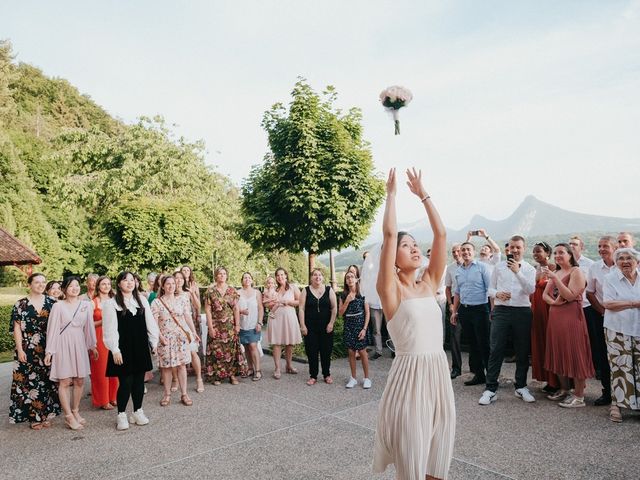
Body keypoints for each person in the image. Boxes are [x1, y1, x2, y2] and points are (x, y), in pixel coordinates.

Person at [373, 168, 454, 480]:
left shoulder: (429, 282)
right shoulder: (390, 290)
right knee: (412, 465)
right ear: (393, 257)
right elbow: (390, 235)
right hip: (409, 380)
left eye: (416, 245)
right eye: (407, 246)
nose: (415, 248)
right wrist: (391, 195)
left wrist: (423, 195)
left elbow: (442, 235)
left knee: (437, 463)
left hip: (438, 376)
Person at [479, 235, 536, 406]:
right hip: (501, 310)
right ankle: (490, 389)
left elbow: (530, 289)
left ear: (523, 248)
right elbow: (489, 288)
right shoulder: (498, 266)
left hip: (522, 311)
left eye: (518, 247)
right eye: (512, 247)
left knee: (522, 349)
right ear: (508, 249)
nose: (514, 250)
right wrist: (497, 294)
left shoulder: (529, 269)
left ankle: (521, 386)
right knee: (496, 348)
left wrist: (517, 272)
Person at [103, 271, 159, 430]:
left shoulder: (141, 300)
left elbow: (150, 322)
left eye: (132, 280)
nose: (129, 282)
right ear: (119, 283)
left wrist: (154, 341)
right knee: (126, 382)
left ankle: (137, 411)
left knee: (139, 381)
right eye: (125, 280)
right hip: (122, 349)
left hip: (140, 346)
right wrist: (114, 349)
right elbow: (109, 329)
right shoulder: (111, 303)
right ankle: (121, 414)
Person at [543, 243, 595, 408]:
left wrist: (556, 279)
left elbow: (571, 296)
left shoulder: (576, 271)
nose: (557, 255)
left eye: (561, 252)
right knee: (558, 351)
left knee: (575, 353)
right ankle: (565, 389)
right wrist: (555, 303)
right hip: (556, 318)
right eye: (556, 253)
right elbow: (545, 295)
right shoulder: (557, 271)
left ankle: (579, 397)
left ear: (570, 255)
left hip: (572, 318)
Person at [44, 276, 98, 430]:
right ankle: (68, 416)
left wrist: (92, 345)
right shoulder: (58, 306)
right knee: (65, 381)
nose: (75, 288)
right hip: (62, 344)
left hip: (79, 343)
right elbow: (52, 330)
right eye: (70, 286)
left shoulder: (86, 305)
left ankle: (75, 411)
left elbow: (89, 327)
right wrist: (50, 351)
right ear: (64, 289)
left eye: (76, 285)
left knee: (80, 380)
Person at [9, 273, 61, 429]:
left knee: (47, 381)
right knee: (28, 383)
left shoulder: (53, 303)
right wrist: (19, 350)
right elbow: (16, 328)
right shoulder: (20, 304)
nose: (40, 285)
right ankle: (34, 417)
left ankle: (46, 414)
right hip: (27, 348)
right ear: (29, 284)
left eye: (43, 282)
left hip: (48, 347)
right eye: (37, 282)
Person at [602, 247, 640, 423]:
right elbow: (608, 303)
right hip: (617, 328)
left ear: (636, 262)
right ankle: (616, 405)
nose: (625, 261)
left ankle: (637, 406)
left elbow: (617, 303)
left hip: (638, 328)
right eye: (621, 258)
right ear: (616, 263)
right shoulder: (610, 278)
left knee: (639, 369)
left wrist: (624, 303)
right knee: (619, 367)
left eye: (629, 258)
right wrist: (634, 303)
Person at [152, 275, 199, 406]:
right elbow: (154, 323)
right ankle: (167, 395)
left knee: (181, 365)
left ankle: (184, 394)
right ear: (162, 286)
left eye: (173, 283)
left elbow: (187, 317)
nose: (171, 286)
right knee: (166, 367)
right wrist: (160, 338)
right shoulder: (156, 302)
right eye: (168, 284)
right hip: (165, 339)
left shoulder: (182, 300)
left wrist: (194, 332)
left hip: (181, 337)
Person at [451, 242, 492, 387]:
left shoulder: (483, 267)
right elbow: (457, 292)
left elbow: (491, 290)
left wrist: (492, 310)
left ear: (473, 252)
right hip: (465, 310)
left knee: (484, 344)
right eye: (463, 250)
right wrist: (454, 311)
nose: (465, 252)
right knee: (472, 345)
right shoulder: (458, 271)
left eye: (468, 249)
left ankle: (491, 378)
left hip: (480, 310)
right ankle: (479, 375)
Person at [585, 236, 617, 406]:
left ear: (614, 247)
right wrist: (602, 311)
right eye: (599, 246)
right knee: (603, 355)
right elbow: (590, 292)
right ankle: (607, 392)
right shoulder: (594, 267)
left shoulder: (622, 265)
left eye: (605, 246)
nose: (602, 249)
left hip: (622, 316)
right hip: (600, 315)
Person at [204, 266, 247, 385]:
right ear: (216, 276)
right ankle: (217, 376)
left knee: (231, 351)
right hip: (216, 325)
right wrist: (210, 327)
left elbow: (236, 308)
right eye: (219, 274)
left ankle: (232, 375)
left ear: (227, 275)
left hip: (229, 326)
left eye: (224, 273)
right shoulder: (210, 291)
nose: (222, 275)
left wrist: (237, 325)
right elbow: (207, 310)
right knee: (216, 351)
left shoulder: (232, 290)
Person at [529, 242, 559, 393]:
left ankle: (558, 381)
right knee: (540, 342)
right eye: (534, 252)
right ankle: (548, 379)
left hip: (549, 308)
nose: (535, 254)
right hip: (536, 309)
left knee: (551, 343)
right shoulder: (533, 269)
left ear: (547, 252)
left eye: (538, 251)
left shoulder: (554, 268)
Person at [299, 269, 337, 385]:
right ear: (311, 277)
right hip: (310, 327)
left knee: (326, 351)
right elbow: (301, 308)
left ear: (323, 277)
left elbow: (334, 308)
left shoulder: (329, 290)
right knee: (312, 352)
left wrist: (331, 323)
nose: (317, 277)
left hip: (326, 327)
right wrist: (302, 325)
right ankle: (313, 376)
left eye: (319, 275)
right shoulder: (305, 290)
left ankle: (327, 374)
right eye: (315, 275)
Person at [89, 276, 119, 410]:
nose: (106, 286)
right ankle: (103, 400)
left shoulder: (115, 301)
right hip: (99, 337)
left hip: (113, 335)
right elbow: (88, 325)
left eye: (108, 284)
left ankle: (114, 397)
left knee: (115, 368)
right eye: (103, 284)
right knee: (101, 370)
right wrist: (103, 321)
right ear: (98, 286)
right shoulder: (93, 303)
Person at [268, 267, 302, 379]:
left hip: (289, 317)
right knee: (276, 343)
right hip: (276, 318)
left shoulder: (293, 287)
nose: (280, 277)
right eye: (278, 275)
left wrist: (289, 302)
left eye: (282, 275)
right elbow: (268, 305)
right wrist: (271, 304)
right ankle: (277, 368)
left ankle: (289, 365)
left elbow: (301, 301)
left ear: (286, 275)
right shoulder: (274, 290)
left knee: (289, 343)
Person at [338, 270, 371, 388]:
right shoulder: (343, 295)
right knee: (351, 352)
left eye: (352, 277)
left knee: (362, 352)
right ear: (345, 281)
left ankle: (367, 378)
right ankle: (353, 378)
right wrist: (347, 301)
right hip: (349, 326)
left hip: (360, 326)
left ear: (356, 279)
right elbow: (340, 313)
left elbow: (367, 312)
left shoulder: (363, 294)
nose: (350, 279)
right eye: (347, 278)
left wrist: (364, 329)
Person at [174, 270, 204, 392]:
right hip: (174, 327)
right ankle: (175, 380)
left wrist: (192, 293)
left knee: (192, 352)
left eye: (181, 278)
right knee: (175, 355)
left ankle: (199, 380)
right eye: (176, 278)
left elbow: (198, 306)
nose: (179, 280)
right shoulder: (169, 293)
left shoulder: (187, 293)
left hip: (187, 326)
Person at [238, 272, 264, 381]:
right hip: (242, 324)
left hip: (254, 324)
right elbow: (234, 309)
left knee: (253, 346)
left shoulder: (257, 293)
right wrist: (241, 311)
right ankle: (250, 368)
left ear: (252, 280)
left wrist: (259, 323)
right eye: (245, 278)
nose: (247, 279)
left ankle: (258, 370)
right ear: (242, 280)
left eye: (249, 277)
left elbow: (261, 308)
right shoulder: (237, 292)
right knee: (247, 348)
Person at [361, 246, 386, 360]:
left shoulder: (385, 265)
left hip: (387, 301)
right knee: (376, 329)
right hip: (374, 303)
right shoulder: (367, 269)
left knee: (392, 327)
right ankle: (378, 351)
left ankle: (394, 350)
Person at [445, 243, 463, 379]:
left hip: (471, 302)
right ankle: (456, 368)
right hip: (455, 303)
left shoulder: (474, 265)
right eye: (453, 252)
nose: (456, 253)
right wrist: (451, 304)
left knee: (475, 336)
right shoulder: (450, 268)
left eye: (458, 251)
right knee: (454, 337)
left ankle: (476, 368)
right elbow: (448, 288)